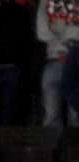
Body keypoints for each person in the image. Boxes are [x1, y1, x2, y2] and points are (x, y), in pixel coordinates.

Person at [37, 0, 79, 128]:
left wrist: (60, 33)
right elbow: (42, 33)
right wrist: (68, 37)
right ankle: (52, 142)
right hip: (54, 60)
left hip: (76, 61)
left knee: (76, 115)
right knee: (51, 115)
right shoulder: (46, 2)